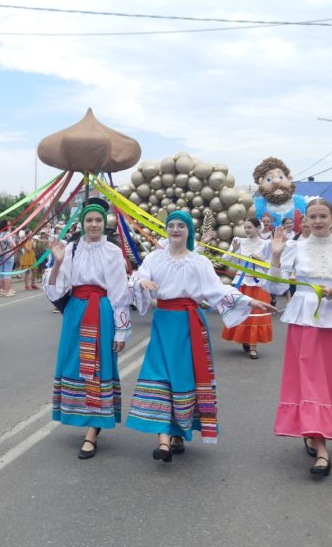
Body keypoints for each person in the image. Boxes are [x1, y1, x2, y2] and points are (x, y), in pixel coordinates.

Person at [127, 210, 275, 462]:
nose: (175, 230)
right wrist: (141, 283)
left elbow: (217, 290)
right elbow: (139, 275)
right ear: (166, 230)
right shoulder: (154, 258)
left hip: (189, 325)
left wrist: (251, 301)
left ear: (188, 231)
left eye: (180, 226)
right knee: (159, 374)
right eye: (171, 225)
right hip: (164, 323)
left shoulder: (199, 262)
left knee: (184, 377)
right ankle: (163, 440)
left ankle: (178, 434)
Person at [267, 199, 332, 477]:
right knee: (310, 382)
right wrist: (276, 256)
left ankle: (315, 431)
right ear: (305, 221)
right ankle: (321, 449)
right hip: (304, 320)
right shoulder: (294, 248)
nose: (318, 221)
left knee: (331, 383)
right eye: (313, 217)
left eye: (323, 216)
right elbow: (274, 286)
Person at [44, 198, 132, 459]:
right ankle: (82, 417)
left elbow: (119, 294)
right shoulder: (70, 249)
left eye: (98, 220)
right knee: (75, 366)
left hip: (101, 311)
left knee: (98, 367)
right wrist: (57, 261)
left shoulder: (113, 252)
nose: (93, 224)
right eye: (89, 220)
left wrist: (121, 330)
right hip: (75, 313)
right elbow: (55, 289)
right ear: (82, 223)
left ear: (105, 224)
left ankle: (93, 431)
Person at [219, 217, 273, 359]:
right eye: (246, 227)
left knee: (256, 313)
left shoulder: (266, 244)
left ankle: (253, 345)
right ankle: (245, 339)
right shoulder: (238, 241)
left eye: (250, 227)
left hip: (258, 282)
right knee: (242, 311)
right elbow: (224, 260)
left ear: (258, 228)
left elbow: (271, 265)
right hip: (242, 282)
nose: (247, 230)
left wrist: (259, 260)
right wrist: (233, 251)